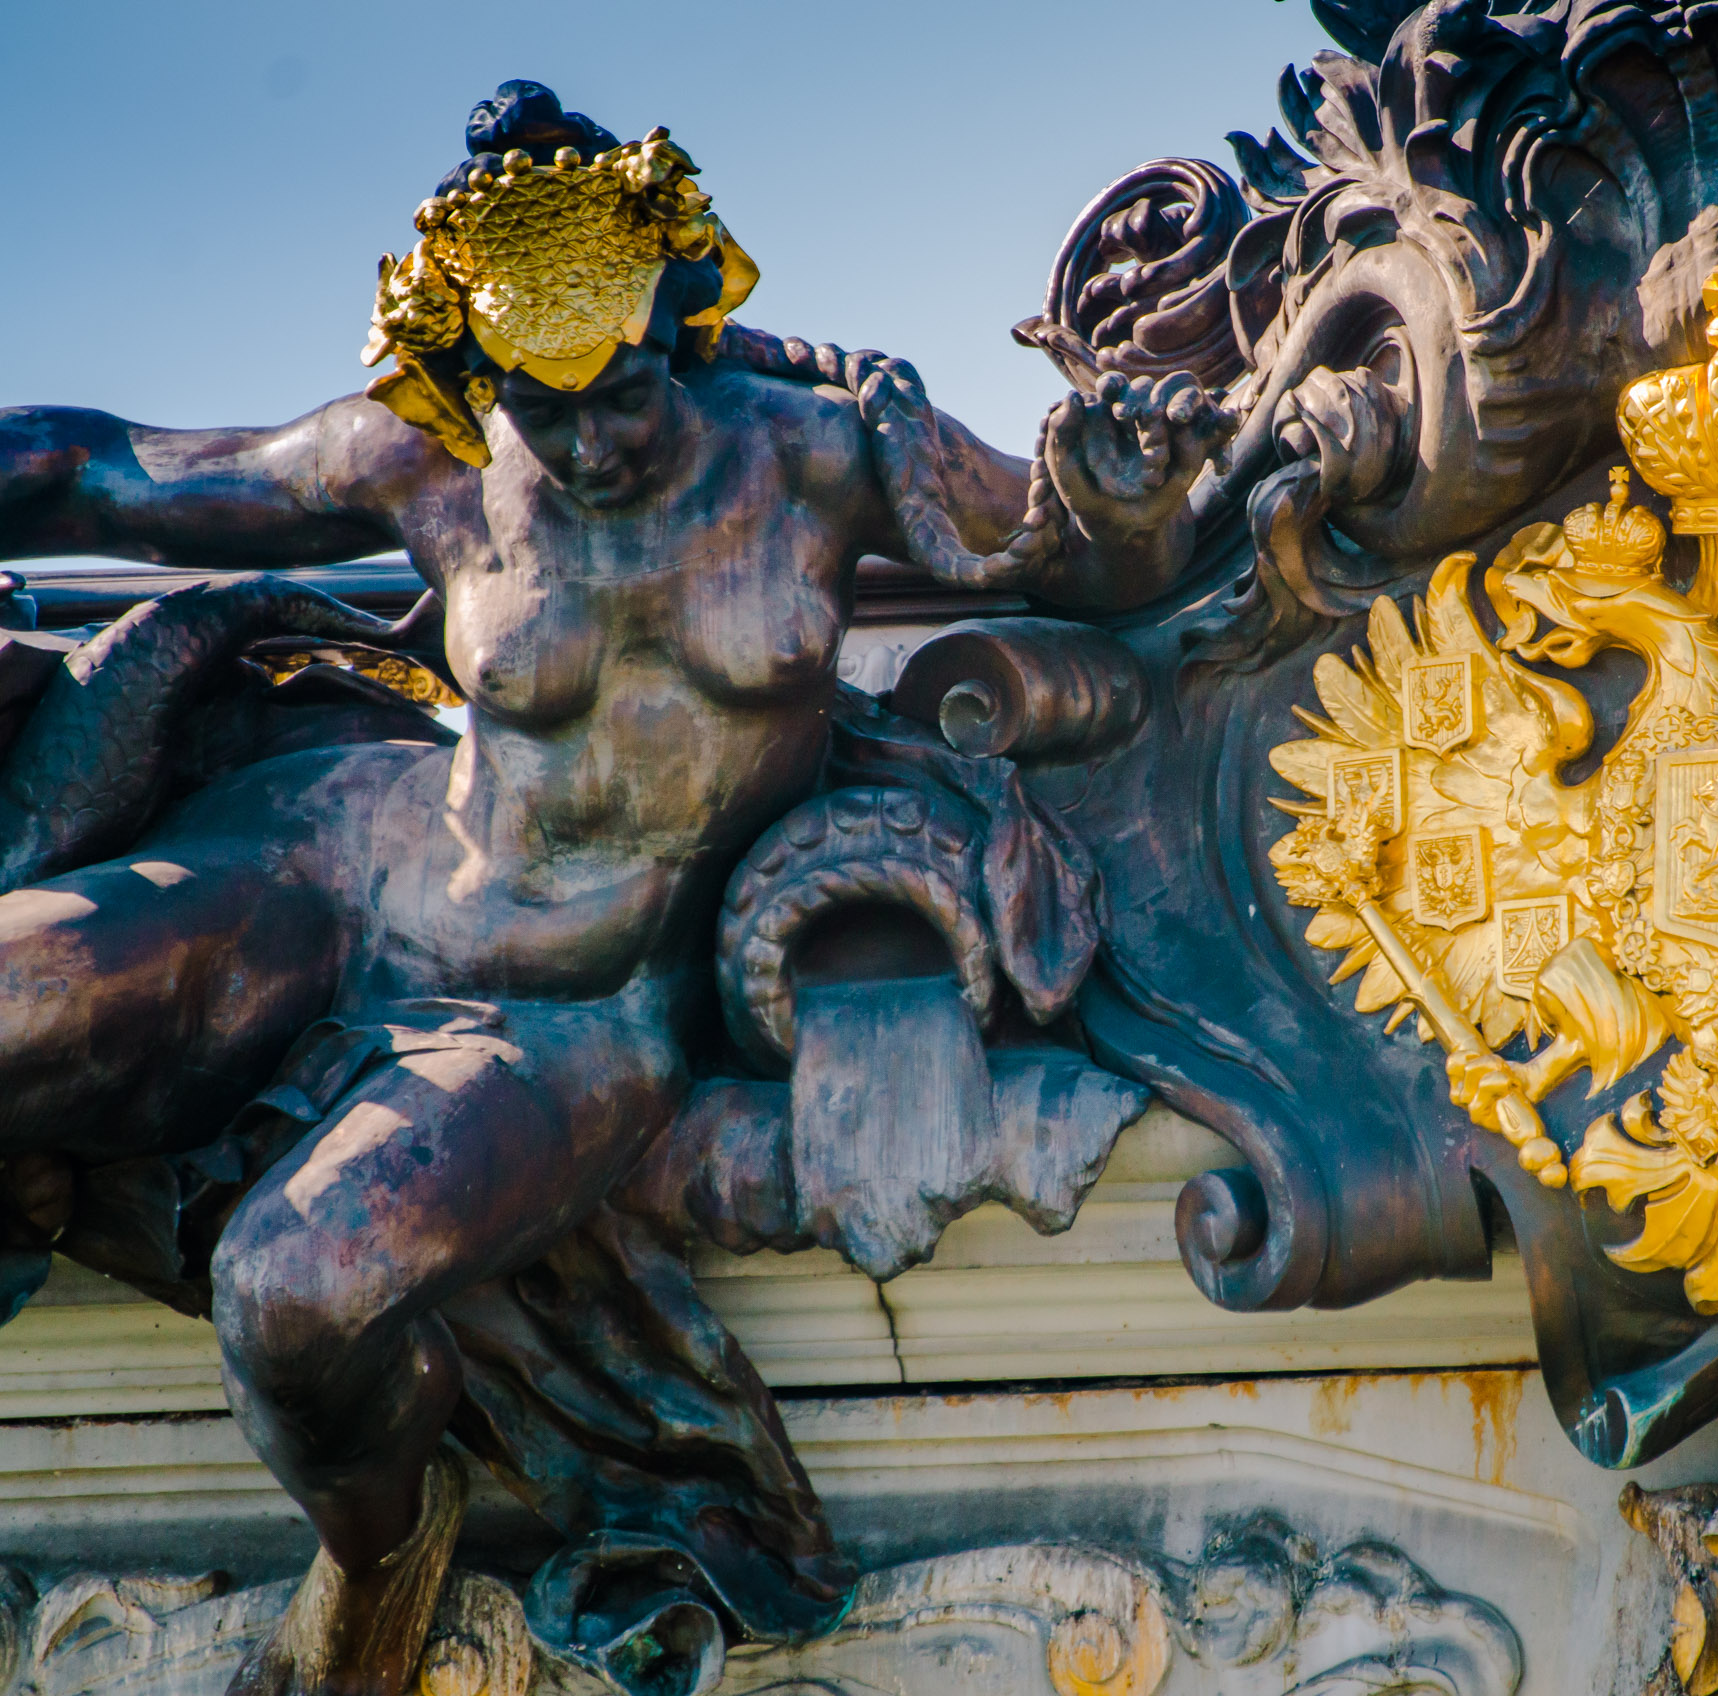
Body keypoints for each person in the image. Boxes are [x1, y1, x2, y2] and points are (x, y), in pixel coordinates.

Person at [0, 80, 1220, 1696]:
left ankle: (381, 1554)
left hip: (577, 1013)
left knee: (293, 1300)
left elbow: (1094, 548)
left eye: (623, 388)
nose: (585, 440)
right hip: (331, 856)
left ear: (685, 315)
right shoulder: (433, 456)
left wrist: (1139, 483)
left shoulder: (832, 452)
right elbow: (115, 476)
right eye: (540, 401)